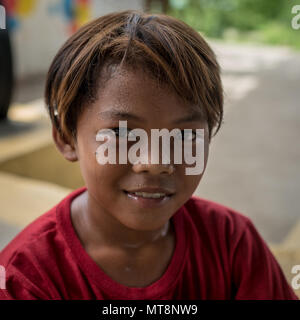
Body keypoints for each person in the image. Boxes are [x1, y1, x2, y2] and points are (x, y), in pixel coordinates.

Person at [0, 10, 298, 300]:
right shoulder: (23, 279)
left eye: (184, 135)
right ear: (67, 138)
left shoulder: (233, 245)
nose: (156, 163)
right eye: (123, 134)